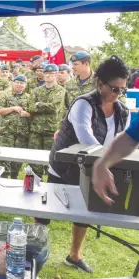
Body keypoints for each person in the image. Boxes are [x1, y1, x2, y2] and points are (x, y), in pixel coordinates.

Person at [44, 56, 131, 273]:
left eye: (123, 89)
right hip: (64, 165)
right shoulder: (83, 104)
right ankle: (36, 247)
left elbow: (120, 140)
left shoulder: (123, 111)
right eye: (114, 89)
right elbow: (86, 137)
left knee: (84, 211)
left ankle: (74, 255)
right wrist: (107, 159)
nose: (118, 94)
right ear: (100, 83)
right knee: (45, 211)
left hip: (92, 166)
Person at [26, 64, 65, 178]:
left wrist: (38, 104)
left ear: (56, 74)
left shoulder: (60, 90)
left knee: (50, 160)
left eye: (51, 73)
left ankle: (48, 186)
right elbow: (30, 107)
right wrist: (40, 106)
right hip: (36, 130)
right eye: (46, 73)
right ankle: (34, 184)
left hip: (51, 130)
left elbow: (54, 107)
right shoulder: (37, 90)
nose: (48, 75)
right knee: (34, 160)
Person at [0, 75, 31, 178]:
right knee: (4, 159)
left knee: (17, 161)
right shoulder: (5, 95)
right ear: (13, 83)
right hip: (6, 133)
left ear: (25, 85)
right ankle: (3, 180)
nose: (19, 85)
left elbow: (33, 113)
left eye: (22, 83)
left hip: (21, 134)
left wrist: (27, 114)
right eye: (17, 82)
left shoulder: (29, 97)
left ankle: (15, 179)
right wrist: (13, 108)